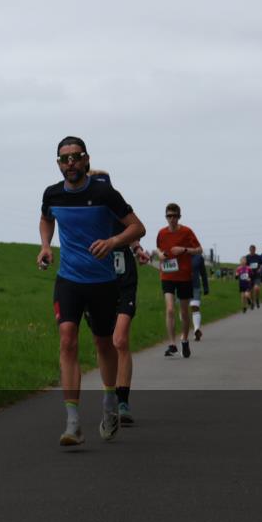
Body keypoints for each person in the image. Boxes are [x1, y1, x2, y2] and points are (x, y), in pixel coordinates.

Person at [38, 139, 145, 446]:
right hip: (69, 279)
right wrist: (46, 246)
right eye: (64, 159)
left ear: (86, 160)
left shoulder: (104, 193)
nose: (70, 162)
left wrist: (112, 242)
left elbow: (137, 228)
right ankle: (73, 423)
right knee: (67, 339)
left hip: (102, 282)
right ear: (58, 164)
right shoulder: (52, 194)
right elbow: (47, 218)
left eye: (76, 157)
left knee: (103, 342)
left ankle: (110, 402)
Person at [88, 170, 151, 425]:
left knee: (120, 339)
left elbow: (133, 231)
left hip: (124, 281)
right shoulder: (88, 215)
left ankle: (123, 401)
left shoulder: (119, 207)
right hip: (95, 283)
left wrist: (137, 250)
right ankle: (110, 394)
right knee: (103, 343)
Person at [156, 203, 203, 358]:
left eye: (175, 216)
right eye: (169, 216)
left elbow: (199, 250)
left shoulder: (187, 231)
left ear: (179, 217)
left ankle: (184, 339)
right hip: (167, 276)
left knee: (183, 311)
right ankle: (172, 344)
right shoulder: (162, 233)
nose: (172, 219)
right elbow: (158, 248)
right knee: (170, 309)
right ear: (166, 217)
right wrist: (160, 254)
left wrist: (183, 249)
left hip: (184, 276)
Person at [190, 252, 209, 340]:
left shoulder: (198, 257)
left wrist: (206, 287)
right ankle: (185, 331)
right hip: (181, 286)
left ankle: (196, 329)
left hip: (195, 286)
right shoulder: (178, 255)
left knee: (195, 306)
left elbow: (203, 273)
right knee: (184, 310)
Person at [244, 245, 262, 310]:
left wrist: (260, 269)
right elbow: (245, 266)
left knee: (256, 288)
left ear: (255, 250)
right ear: (249, 250)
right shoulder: (247, 257)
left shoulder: (258, 257)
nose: (252, 251)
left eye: (253, 250)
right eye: (250, 250)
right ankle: (252, 303)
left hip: (257, 275)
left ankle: (257, 299)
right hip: (250, 276)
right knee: (251, 291)